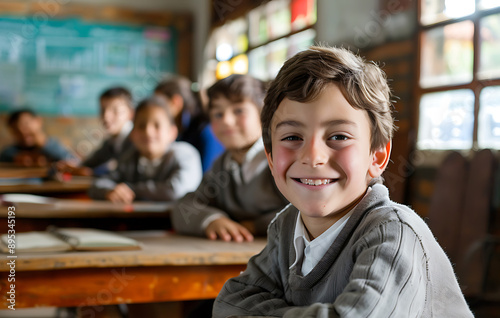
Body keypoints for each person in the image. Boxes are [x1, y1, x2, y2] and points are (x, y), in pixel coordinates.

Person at [213, 46, 474, 317]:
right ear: (270, 158)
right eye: (292, 137)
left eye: (338, 136)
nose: (313, 157)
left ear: (378, 156)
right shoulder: (287, 226)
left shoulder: (392, 234)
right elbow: (229, 303)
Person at [171, 74, 289, 241]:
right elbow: (184, 208)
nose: (226, 120)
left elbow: (309, 212)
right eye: (218, 114)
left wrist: (255, 226)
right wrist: (213, 220)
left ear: (264, 115)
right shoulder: (222, 166)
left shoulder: (282, 159)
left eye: (239, 111)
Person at [88, 96, 202, 203]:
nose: (148, 132)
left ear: (172, 132)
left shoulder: (186, 154)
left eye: (157, 125)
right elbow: (98, 184)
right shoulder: (129, 158)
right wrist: (109, 191)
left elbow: (176, 190)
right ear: (132, 133)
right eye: (141, 126)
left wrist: (130, 189)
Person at [56, 86, 135, 176]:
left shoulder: (136, 140)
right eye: (103, 110)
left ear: (130, 114)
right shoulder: (111, 142)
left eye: (115, 110)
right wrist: (75, 167)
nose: (106, 116)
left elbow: (122, 173)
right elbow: (90, 164)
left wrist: (90, 172)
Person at [154, 76, 224, 172]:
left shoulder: (205, 130)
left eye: (160, 104)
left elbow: (208, 173)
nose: (155, 110)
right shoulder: (181, 128)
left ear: (176, 101)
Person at [0, 109, 76, 166]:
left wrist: (43, 143)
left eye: (26, 124)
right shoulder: (10, 152)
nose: (22, 131)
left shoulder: (53, 145)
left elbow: (73, 161)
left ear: (38, 121)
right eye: (16, 129)